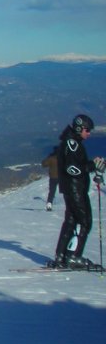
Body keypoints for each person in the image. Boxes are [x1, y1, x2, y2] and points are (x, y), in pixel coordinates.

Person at [50, 114, 106, 269]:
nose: (89, 133)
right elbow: (72, 168)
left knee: (71, 221)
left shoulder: (70, 142)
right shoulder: (71, 144)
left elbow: (74, 165)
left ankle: (61, 256)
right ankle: (74, 256)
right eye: (87, 130)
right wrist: (92, 166)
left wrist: (92, 164)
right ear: (79, 128)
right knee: (85, 222)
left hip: (71, 188)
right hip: (75, 189)